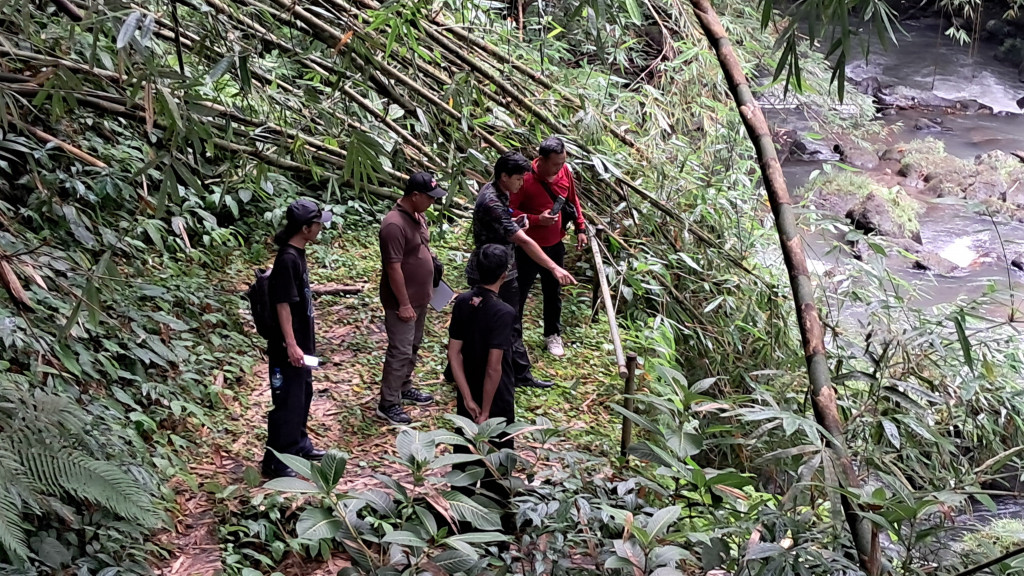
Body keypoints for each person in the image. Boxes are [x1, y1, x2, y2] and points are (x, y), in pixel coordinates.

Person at [465, 150, 577, 389]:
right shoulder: (491, 201)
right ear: (504, 176)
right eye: (518, 179)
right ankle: (488, 372)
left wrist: (520, 221)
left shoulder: (501, 191)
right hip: (489, 270)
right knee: (494, 320)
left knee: (505, 320)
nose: (521, 183)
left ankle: (517, 373)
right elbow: (523, 241)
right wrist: (554, 267)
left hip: (504, 266)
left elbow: (506, 224)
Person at [263, 199, 332, 479]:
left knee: (303, 394)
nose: (320, 228)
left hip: (302, 343)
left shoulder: (298, 254)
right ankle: (275, 460)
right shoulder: (287, 259)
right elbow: (282, 304)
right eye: (317, 224)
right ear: (305, 228)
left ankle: (298, 444)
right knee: (287, 402)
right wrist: (291, 344)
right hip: (288, 347)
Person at [376, 172, 447, 425]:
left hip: (420, 296)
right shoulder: (394, 225)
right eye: (430, 197)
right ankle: (388, 403)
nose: (433, 202)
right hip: (402, 301)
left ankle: (404, 386)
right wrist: (404, 303)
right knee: (400, 350)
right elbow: (393, 267)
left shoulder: (418, 216)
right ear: (415, 195)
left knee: (413, 345)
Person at [511, 137, 587, 357]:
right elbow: (509, 211)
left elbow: (573, 200)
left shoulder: (565, 172)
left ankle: (552, 334)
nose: (560, 167)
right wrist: (536, 220)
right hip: (527, 247)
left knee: (553, 292)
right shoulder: (524, 179)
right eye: (555, 163)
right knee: (519, 293)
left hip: (555, 245)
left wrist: (580, 227)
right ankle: (514, 337)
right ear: (541, 160)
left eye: (563, 162)